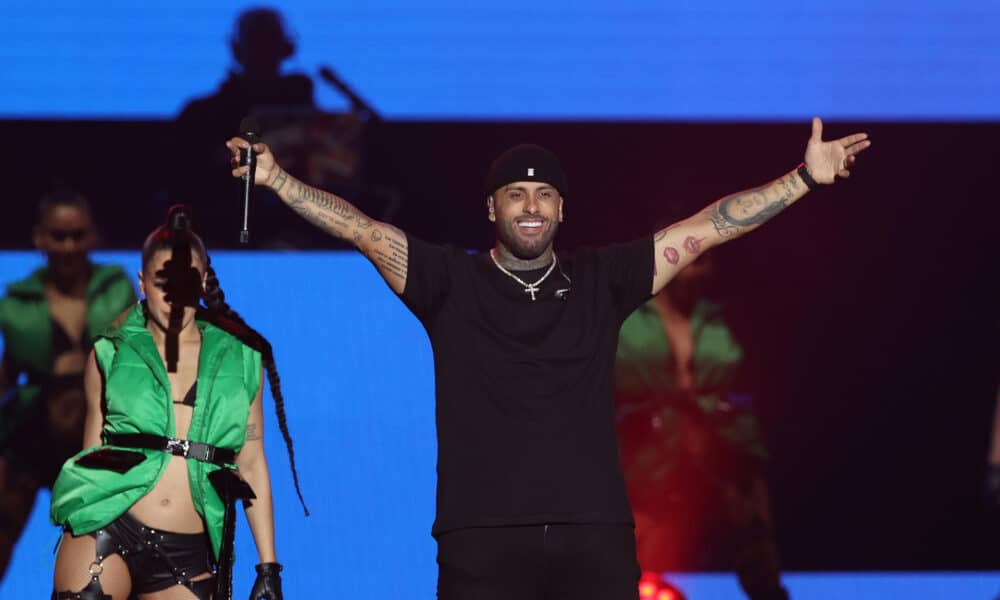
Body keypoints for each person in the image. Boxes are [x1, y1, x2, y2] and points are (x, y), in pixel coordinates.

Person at [225, 117, 870, 599]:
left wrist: (804, 178)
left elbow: (709, 227)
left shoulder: (603, 278)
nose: (530, 207)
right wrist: (278, 179)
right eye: (515, 195)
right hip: (480, 536)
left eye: (543, 196)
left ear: (562, 209)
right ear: (492, 208)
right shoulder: (449, 281)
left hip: (592, 535)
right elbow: (362, 229)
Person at [48, 206, 303, 600]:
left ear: (202, 282)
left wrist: (268, 566)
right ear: (143, 283)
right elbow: (92, 453)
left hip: (189, 552)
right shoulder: (110, 353)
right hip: (109, 527)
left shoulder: (240, 359)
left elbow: (250, 461)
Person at [615, 253, 787, 600]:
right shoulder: (626, 315)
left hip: (721, 448)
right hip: (644, 453)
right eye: (688, 258)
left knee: (758, 559)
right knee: (623, 558)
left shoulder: (727, 318)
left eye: (705, 260)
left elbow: (757, 379)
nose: (695, 269)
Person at [0, 190, 135, 581]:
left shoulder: (116, 291)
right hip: (32, 431)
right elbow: (8, 374)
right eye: (59, 236)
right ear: (40, 238)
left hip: (95, 437)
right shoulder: (21, 303)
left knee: (113, 541)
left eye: (78, 235)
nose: (69, 246)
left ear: (93, 237)